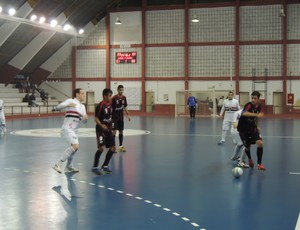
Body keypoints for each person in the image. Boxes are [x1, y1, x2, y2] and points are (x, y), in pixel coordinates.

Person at [52, 88, 88, 174]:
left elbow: (84, 121)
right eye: (82, 93)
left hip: (75, 130)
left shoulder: (83, 107)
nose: (84, 95)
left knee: (75, 148)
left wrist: (85, 118)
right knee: (76, 146)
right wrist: (67, 105)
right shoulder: (70, 101)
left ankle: (69, 166)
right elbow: (57, 107)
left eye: (84, 94)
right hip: (67, 128)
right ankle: (58, 164)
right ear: (77, 94)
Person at [237, 91, 265, 170]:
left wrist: (257, 126)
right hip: (243, 129)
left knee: (260, 143)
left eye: (255, 98)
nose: (253, 100)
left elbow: (256, 118)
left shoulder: (259, 106)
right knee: (247, 147)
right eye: (252, 98)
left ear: (258, 99)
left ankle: (259, 164)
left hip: (252, 127)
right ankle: (250, 159)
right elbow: (244, 113)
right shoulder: (249, 105)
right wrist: (256, 115)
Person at [92, 88, 116, 175]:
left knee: (113, 148)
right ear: (104, 96)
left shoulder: (111, 104)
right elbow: (96, 118)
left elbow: (112, 117)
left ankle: (105, 166)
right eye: (109, 96)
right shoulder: (100, 105)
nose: (110, 97)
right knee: (101, 148)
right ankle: (95, 167)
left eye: (111, 96)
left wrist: (113, 128)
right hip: (100, 130)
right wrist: (101, 125)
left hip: (109, 130)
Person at [112, 85, 131, 152]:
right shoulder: (114, 98)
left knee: (121, 131)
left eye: (122, 90)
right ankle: (113, 147)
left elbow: (125, 107)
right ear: (117, 90)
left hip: (121, 118)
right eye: (120, 90)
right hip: (114, 118)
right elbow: (110, 107)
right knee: (114, 132)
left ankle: (120, 146)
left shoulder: (124, 97)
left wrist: (128, 115)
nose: (121, 91)